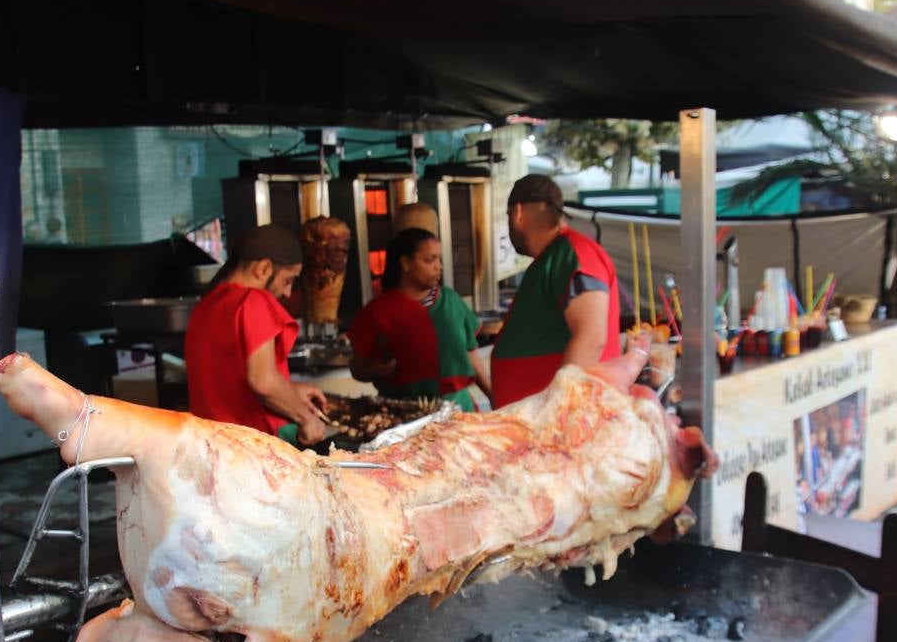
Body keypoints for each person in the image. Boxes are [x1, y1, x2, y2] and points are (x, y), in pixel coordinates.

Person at [184, 224, 328, 445]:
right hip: (252, 448)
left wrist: (290, 391)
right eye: (288, 280)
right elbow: (263, 382)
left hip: (213, 445)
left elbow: (228, 382)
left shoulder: (206, 306)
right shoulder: (253, 301)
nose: (288, 293)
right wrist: (307, 417)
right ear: (264, 269)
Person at [490, 174, 620, 407]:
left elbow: (592, 337)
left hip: (564, 426)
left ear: (518, 213)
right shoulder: (555, 256)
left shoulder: (572, 253)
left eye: (508, 216)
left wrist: (557, 408)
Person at [347, 227, 491, 411]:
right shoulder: (378, 312)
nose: (438, 266)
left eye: (439, 259)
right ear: (405, 263)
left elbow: (470, 354)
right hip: (404, 413)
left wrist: (494, 396)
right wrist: (377, 369)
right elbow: (358, 370)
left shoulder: (452, 301)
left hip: (459, 409)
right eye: (429, 260)